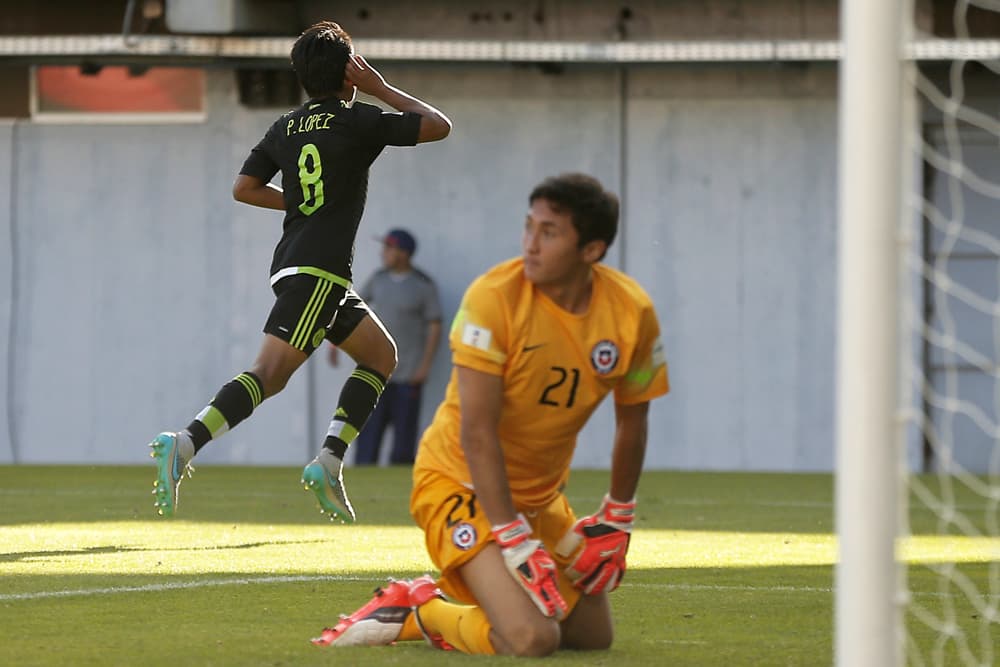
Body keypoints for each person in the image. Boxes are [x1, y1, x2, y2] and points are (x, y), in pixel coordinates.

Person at [311, 173, 669, 656]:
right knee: (533, 638)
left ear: (592, 250)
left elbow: (633, 418)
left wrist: (618, 516)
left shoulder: (632, 312)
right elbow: (477, 432)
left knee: (591, 637)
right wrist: (511, 535)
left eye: (549, 233)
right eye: (529, 226)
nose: (531, 244)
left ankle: (476, 585)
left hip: (538, 499)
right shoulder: (493, 298)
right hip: (458, 483)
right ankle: (418, 609)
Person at [147, 20, 451, 523]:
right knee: (270, 375)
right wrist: (378, 87)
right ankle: (186, 442)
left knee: (381, 355)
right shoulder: (357, 120)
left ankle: (329, 461)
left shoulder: (284, 127)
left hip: (298, 266)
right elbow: (437, 125)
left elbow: (244, 188)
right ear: (350, 73)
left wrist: (302, 203)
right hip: (321, 271)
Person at [328, 228, 443, 465]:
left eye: (389, 248)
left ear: (404, 253)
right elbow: (349, 308)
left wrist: (424, 367)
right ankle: (362, 482)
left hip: (408, 376)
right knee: (367, 441)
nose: (384, 253)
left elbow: (435, 326)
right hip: (376, 374)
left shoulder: (423, 286)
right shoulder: (377, 280)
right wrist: (334, 344)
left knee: (403, 446)